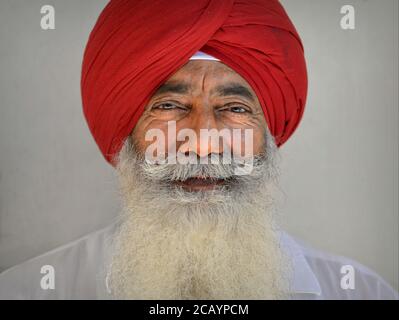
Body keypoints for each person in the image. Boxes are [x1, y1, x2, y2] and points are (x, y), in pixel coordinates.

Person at [0, 0, 397, 300]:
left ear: (270, 136)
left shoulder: (360, 292)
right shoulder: (27, 290)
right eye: (170, 106)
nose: (204, 142)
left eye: (235, 109)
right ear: (124, 132)